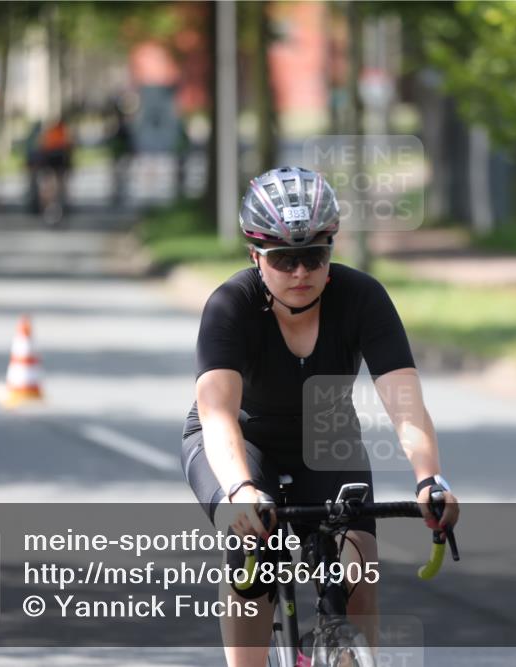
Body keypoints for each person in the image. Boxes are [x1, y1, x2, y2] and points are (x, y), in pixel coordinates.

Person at [181, 166, 460, 667]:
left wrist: (429, 478)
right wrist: (243, 492)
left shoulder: (362, 298)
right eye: (283, 259)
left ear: (331, 250)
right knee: (253, 558)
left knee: (358, 572)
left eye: (313, 256)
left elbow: (406, 405)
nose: (300, 272)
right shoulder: (230, 305)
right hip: (240, 443)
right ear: (255, 256)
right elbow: (218, 413)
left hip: (326, 438)